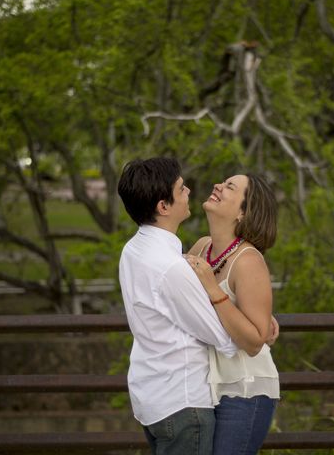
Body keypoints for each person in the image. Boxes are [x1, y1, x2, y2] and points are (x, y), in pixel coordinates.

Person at [117, 157, 257, 455]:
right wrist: (256, 327)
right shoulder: (171, 267)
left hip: (150, 396)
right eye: (181, 189)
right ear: (163, 206)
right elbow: (222, 339)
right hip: (182, 403)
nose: (189, 190)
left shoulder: (133, 249)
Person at [184, 173, 280, 455]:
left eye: (229, 187)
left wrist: (215, 291)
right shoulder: (202, 247)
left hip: (244, 393)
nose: (217, 186)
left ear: (242, 211)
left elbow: (254, 342)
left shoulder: (248, 261)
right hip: (205, 388)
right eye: (222, 182)